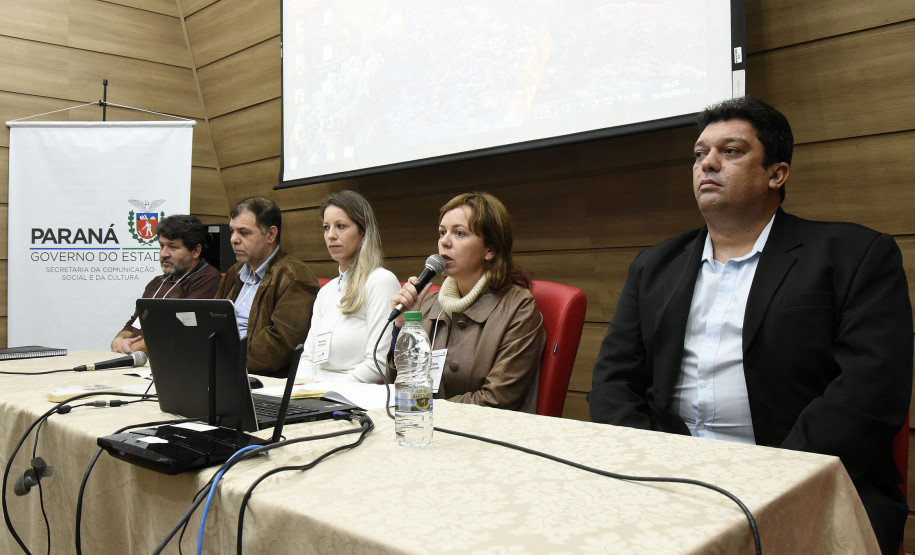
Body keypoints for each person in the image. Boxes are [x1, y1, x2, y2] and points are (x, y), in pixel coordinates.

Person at [588, 96, 912, 554]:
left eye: (732, 151)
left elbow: (870, 391)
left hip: (803, 478)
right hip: (669, 478)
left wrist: (768, 473)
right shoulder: (654, 265)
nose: (708, 164)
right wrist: (655, 464)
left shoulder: (853, 255)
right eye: (700, 154)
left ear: (776, 174)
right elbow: (613, 382)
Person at [391, 192, 545, 411]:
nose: (444, 241)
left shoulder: (518, 307)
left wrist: (420, 407)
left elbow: (495, 401)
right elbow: (397, 384)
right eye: (442, 232)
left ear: (490, 250)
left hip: (484, 436)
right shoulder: (427, 304)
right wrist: (405, 326)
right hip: (424, 427)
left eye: (459, 233)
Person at [297, 191, 401, 383]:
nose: (331, 235)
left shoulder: (380, 281)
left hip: (354, 398)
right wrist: (300, 391)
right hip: (317, 396)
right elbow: (309, 358)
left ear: (363, 232)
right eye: (326, 228)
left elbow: (377, 364)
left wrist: (324, 393)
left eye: (341, 227)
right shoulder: (325, 292)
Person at [215, 196, 320, 377]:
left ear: (271, 234)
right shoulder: (234, 273)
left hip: (261, 379)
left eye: (244, 232)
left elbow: (279, 346)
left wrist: (224, 363)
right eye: (232, 231)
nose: (233, 239)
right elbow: (212, 322)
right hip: (224, 370)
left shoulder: (295, 277)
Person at [111, 214, 221, 354]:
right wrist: (119, 340)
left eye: (172, 247)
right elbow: (134, 323)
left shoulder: (208, 280)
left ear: (195, 251)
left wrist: (133, 348)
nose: (164, 254)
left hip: (174, 366)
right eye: (162, 246)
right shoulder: (156, 283)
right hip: (138, 362)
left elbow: (182, 330)